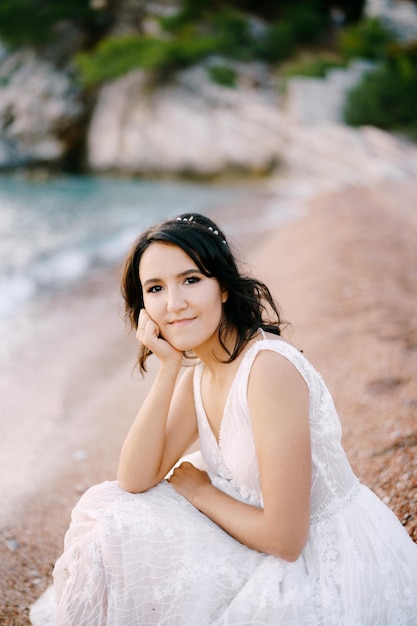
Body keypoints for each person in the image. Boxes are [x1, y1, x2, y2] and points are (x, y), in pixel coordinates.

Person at [50, 213, 417, 625]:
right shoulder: (201, 370)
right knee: (107, 512)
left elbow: (286, 540)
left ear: (223, 287)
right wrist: (169, 368)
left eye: (190, 280)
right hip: (254, 534)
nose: (174, 304)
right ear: (143, 309)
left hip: (325, 559)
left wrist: (201, 492)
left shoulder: (267, 370)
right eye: (155, 288)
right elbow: (134, 478)